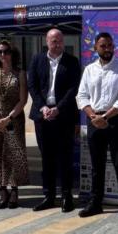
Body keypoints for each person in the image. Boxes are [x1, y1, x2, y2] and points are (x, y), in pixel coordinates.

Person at [77, 32, 118, 219]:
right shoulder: (89, 70)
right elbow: (82, 95)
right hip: (94, 119)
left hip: (115, 120)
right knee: (96, 164)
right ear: (95, 48)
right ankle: (95, 202)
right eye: (103, 46)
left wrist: (106, 117)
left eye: (110, 45)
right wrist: (93, 116)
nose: (107, 49)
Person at [27, 28, 81, 212]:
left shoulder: (72, 62)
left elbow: (73, 89)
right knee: (47, 158)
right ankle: (48, 196)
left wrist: (58, 109)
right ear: (46, 42)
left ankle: (67, 197)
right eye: (53, 41)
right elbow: (32, 85)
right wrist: (43, 107)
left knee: (64, 157)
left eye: (59, 40)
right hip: (42, 116)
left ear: (63, 41)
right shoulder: (36, 59)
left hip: (63, 115)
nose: (56, 44)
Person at [0, 40, 29, 209]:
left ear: (12, 53)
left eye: (6, 51)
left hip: (13, 119)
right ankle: (3, 190)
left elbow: (23, 100)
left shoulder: (20, 74)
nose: (3, 55)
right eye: (0, 52)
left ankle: (14, 190)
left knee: (14, 154)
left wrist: (8, 118)